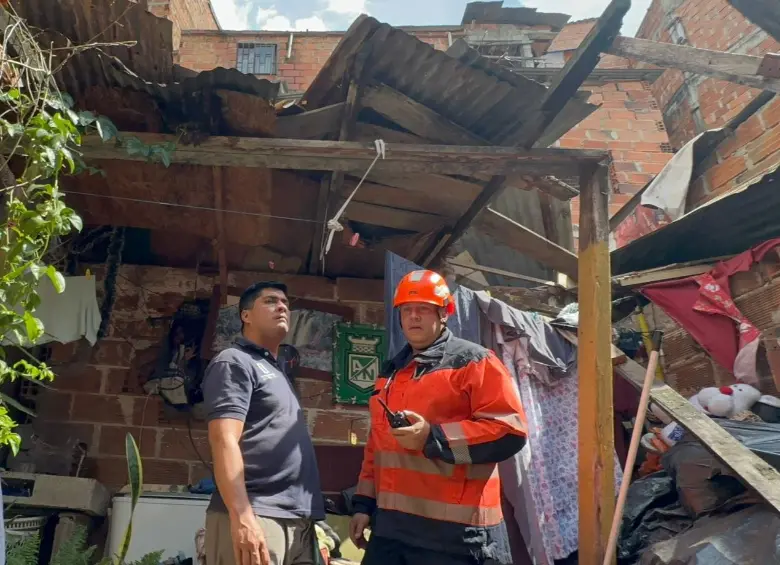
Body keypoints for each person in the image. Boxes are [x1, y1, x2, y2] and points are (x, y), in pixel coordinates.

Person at [349, 270, 528, 565]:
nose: (414, 317)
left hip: (456, 538)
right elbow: (377, 445)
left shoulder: (474, 362)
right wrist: (364, 504)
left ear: (444, 313)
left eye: (423, 309)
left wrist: (434, 438)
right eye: (407, 310)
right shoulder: (391, 373)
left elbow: (509, 431)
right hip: (391, 532)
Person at [203, 281, 324, 565]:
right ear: (246, 315)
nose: (282, 306)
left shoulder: (276, 370)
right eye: (270, 301)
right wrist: (242, 515)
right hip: (258, 513)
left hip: (297, 520)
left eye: (285, 302)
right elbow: (223, 439)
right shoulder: (234, 361)